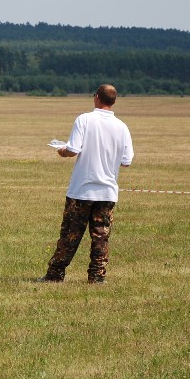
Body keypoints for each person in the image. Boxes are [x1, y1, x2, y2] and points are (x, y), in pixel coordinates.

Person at [38, 84, 133, 284]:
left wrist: (61, 150)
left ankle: (55, 274)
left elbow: (73, 149)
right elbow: (126, 161)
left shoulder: (84, 119)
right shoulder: (122, 127)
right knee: (101, 237)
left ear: (96, 97)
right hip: (107, 192)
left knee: (70, 234)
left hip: (81, 190)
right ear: (114, 101)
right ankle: (97, 276)